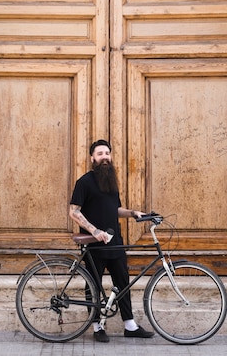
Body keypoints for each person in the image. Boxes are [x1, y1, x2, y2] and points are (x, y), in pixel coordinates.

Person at [69, 139, 155, 343]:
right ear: (92, 158)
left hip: (115, 241)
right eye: (100, 154)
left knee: (123, 283)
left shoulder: (111, 181)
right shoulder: (84, 182)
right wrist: (94, 230)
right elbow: (74, 211)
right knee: (93, 285)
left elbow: (114, 210)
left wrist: (133, 213)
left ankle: (130, 325)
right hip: (94, 244)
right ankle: (97, 326)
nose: (104, 157)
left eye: (107, 153)